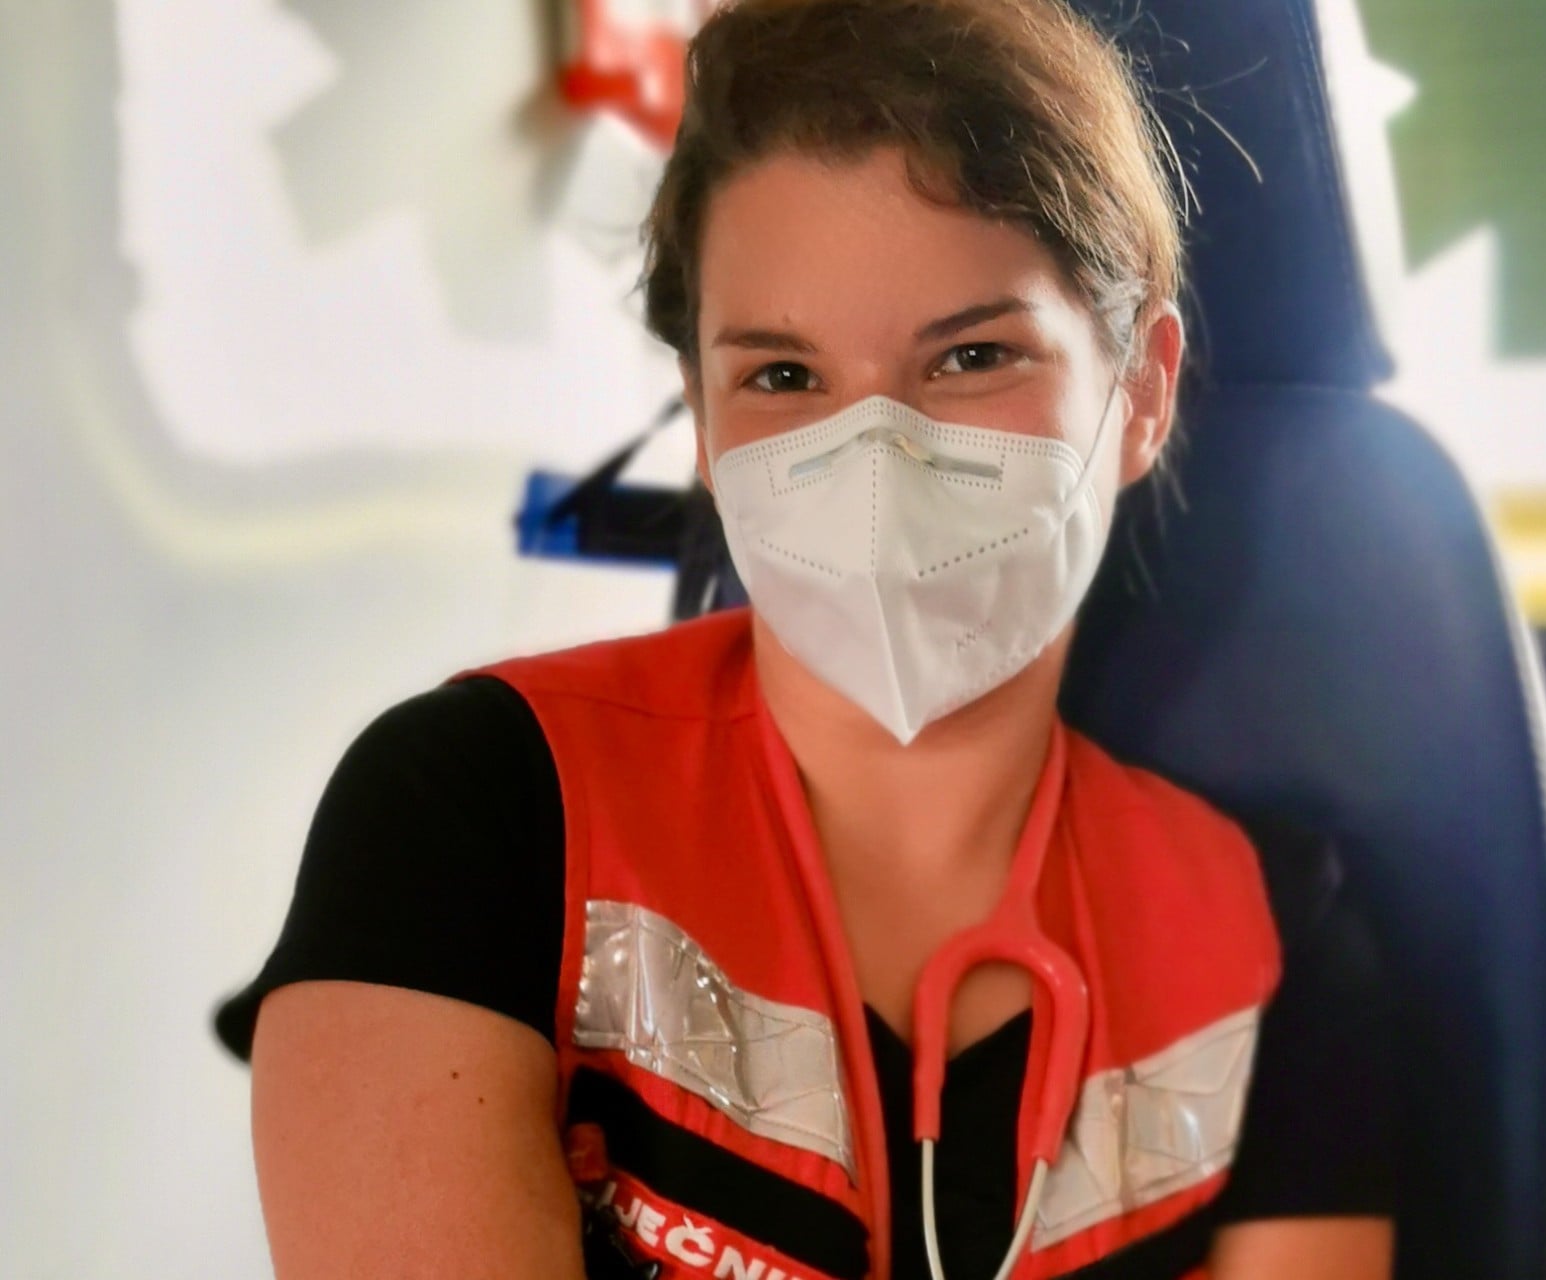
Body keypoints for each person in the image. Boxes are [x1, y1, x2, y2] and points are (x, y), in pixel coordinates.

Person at [216, 1, 1396, 1276]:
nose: (875, 456)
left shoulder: (1265, 939)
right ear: (707, 431)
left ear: (1142, 392)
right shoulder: (473, 809)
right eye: (784, 376)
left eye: (973, 354)